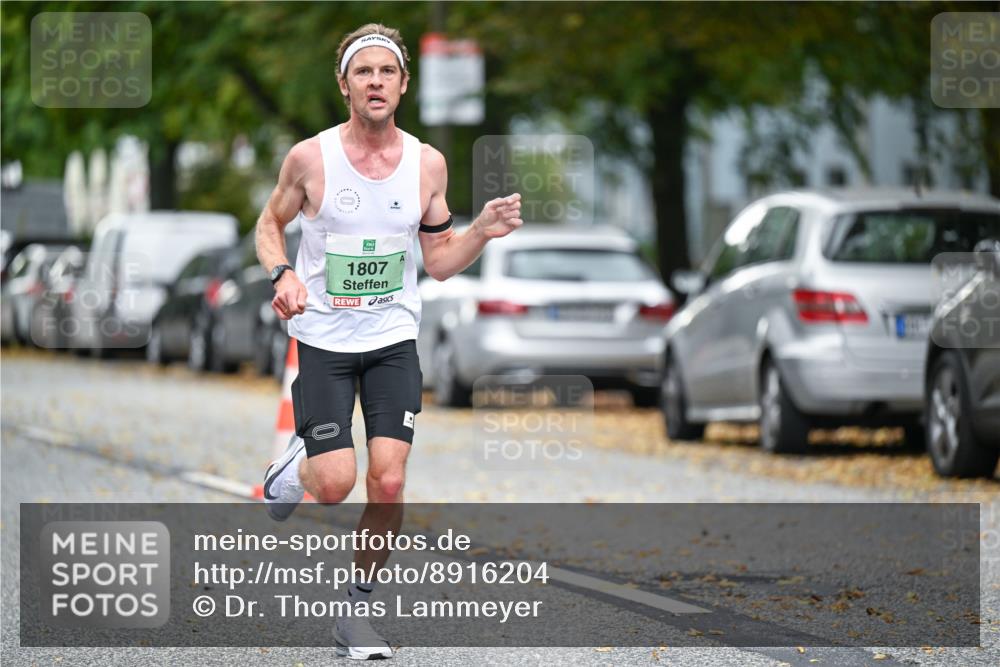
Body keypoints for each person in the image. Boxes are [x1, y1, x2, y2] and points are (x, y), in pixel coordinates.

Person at [254, 23, 521, 659]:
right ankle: (295, 469)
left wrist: (480, 230)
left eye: (387, 72)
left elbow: (437, 262)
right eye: (364, 72)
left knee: (390, 481)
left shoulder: (428, 164)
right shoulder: (311, 159)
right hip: (323, 337)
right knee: (337, 483)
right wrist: (282, 271)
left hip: (393, 336)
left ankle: (357, 615)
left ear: (403, 85)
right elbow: (270, 224)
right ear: (344, 84)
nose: (376, 82)